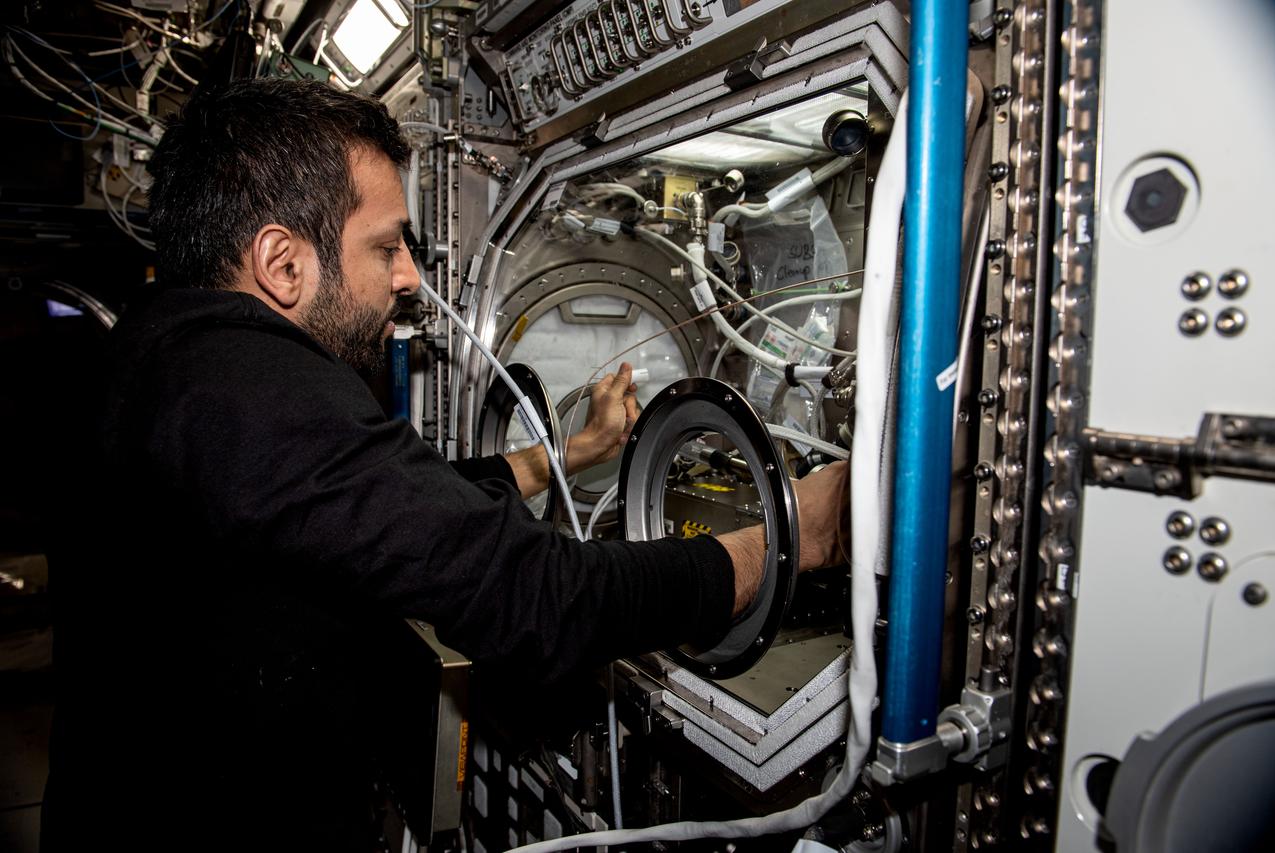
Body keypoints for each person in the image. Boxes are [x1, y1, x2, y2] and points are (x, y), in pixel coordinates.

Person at [43, 79, 848, 851]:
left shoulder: (163, 358)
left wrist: (566, 455)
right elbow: (545, 598)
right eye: (386, 246)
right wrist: (787, 539)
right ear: (282, 263)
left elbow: (372, 510)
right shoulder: (258, 392)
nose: (409, 277)